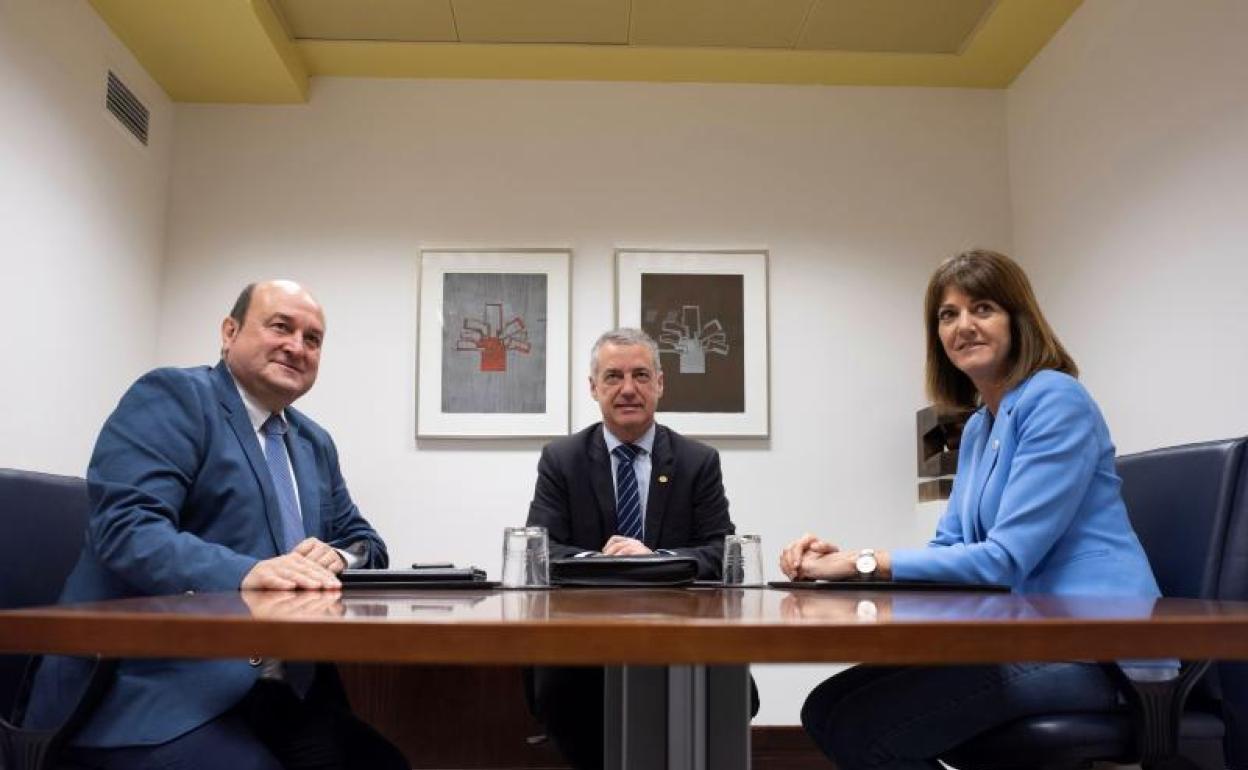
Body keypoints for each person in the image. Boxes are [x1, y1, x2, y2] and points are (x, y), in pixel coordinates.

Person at [780, 250, 1165, 770]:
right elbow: (950, 547)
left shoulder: (1056, 399)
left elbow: (1003, 560)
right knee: (826, 708)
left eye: (983, 308)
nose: (964, 326)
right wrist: (842, 564)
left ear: (1018, 320)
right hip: (1028, 638)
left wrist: (861, 562)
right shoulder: (981, 425)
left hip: (1098, 650)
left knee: (864, 729)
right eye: (948, 315)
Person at [26, 280, 408, 770]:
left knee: (385, 763)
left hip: (278, 691)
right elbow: (127, 530)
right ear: (230, 332)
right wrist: (245, 572)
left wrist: (339, 555)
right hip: (156, 690)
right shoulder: (175, 398)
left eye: (312, 339)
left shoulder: (314, 442)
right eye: (281, 327)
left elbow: (366, 542)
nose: (297, 346)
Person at [525, 328, 739, 769]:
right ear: (593, 388)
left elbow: (722, 551)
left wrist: (655, 560)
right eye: (613, 376)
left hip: (679, 635)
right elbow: (540, 549)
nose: (627, 389)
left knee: (726, 695)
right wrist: (603, 563)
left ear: (660, 384)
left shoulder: (697, 461)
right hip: (582, 641)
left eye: (640, 375)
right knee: (563, 699)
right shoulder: (561, 459)